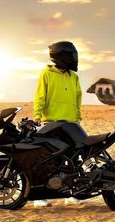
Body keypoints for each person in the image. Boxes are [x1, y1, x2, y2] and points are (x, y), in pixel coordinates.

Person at [33, 41, 82, 207]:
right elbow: (40, 95)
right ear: (62, 57)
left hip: (70, 123)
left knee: (73, 159)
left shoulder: (74, 76)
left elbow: (77, 98)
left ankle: (71, 194)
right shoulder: (46, 73)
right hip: (51, 122)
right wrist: (37, 115)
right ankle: (40, 197)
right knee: (47, 160)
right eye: (71, 56)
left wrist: (77, 117)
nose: (74, 59)